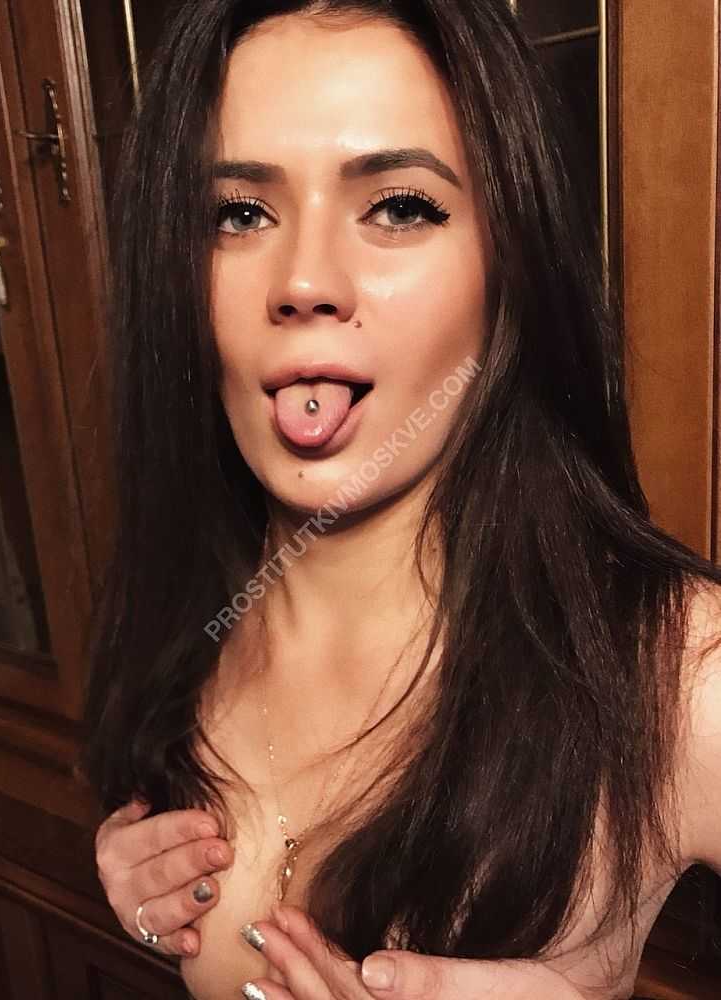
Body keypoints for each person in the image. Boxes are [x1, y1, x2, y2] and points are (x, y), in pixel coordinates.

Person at [79, 2, 721, 999]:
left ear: (510, 265)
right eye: (238, 215)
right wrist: (142, 876)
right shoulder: (182, 623)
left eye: (400, 207)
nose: (304, 280)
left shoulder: (676, 671)